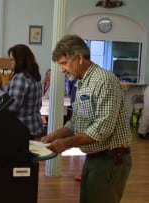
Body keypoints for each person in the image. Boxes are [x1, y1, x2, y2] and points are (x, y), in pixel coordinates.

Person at [41, 34, 132, 203]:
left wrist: (66, 143)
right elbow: (77, 121)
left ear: (79, 58)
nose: (61, 69)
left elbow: (102, 129)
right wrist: (58, 134)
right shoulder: (82, 82)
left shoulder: (104, 80)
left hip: (110, 160)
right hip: (95, 157)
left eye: (63, 63)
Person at [4, 44, 43, 139]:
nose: (10, 62)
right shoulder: (34, 76)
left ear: (20, 60)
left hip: (20, 128)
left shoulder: (20, 78)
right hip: (33, 126)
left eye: (12, 60)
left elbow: (12, 106)